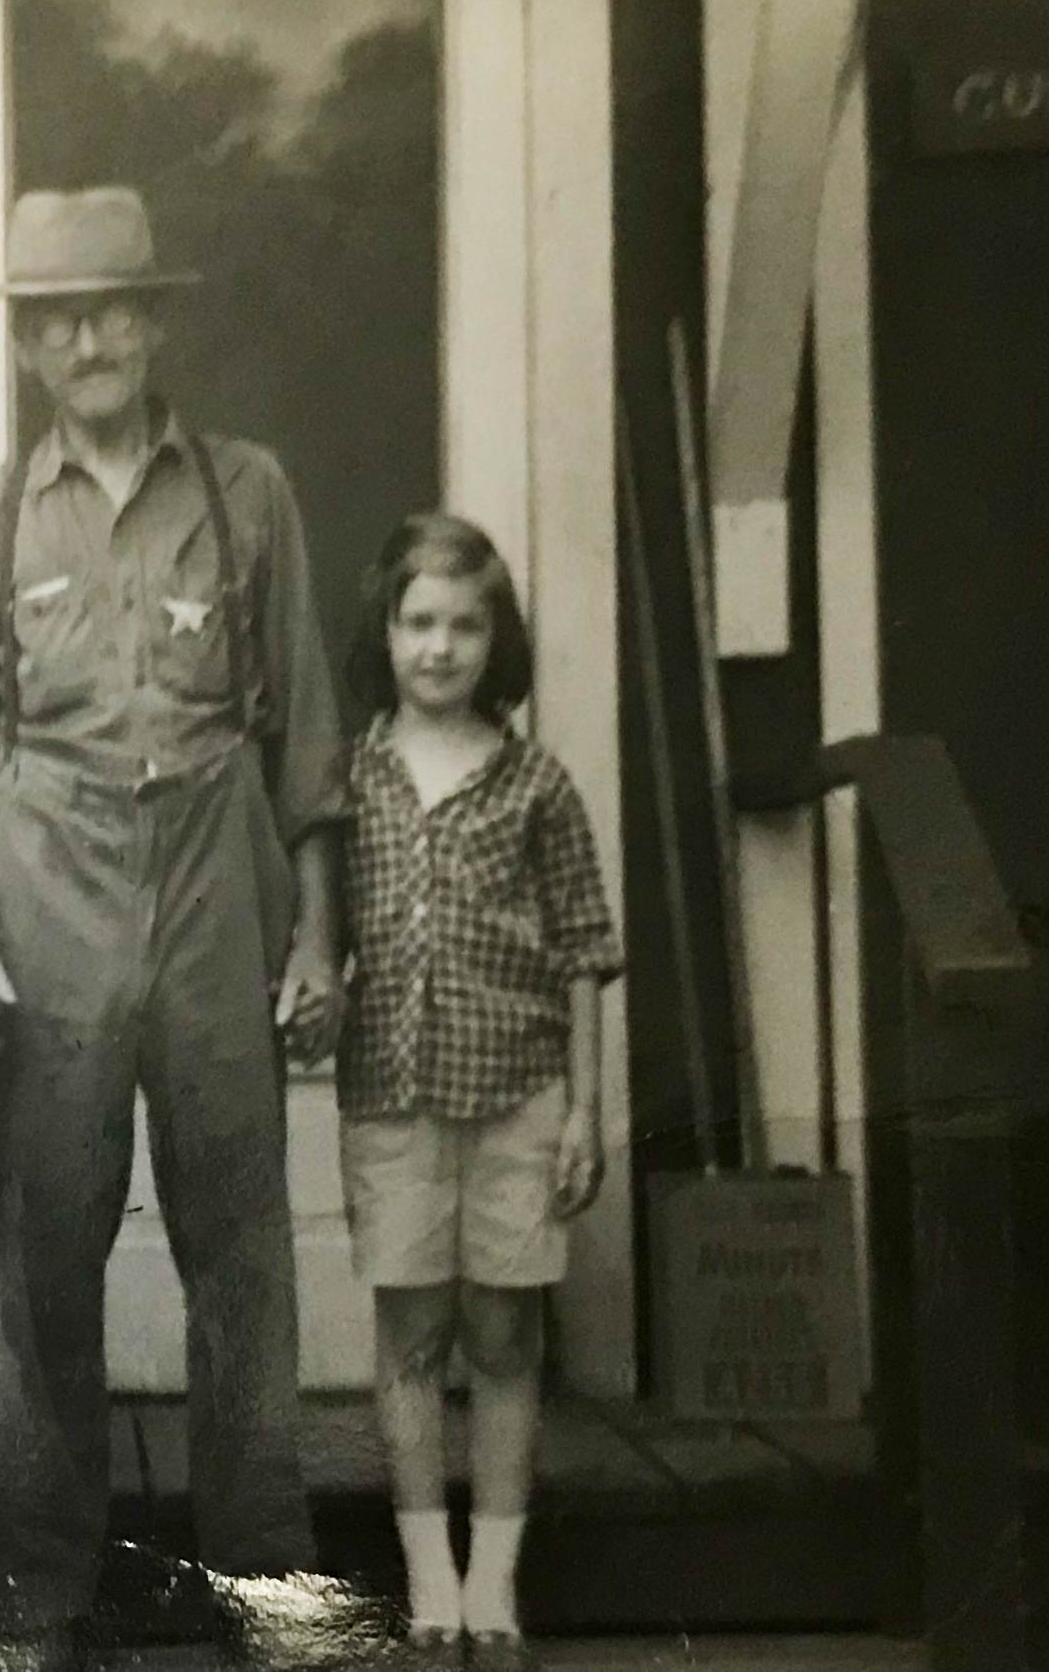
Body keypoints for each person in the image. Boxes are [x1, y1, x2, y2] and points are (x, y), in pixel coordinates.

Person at [0, 186, 349, 1645]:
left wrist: (315, 932)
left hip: (218, 867)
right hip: (48, 877)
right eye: (57, 318)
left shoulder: (248, 491)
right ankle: (33, 1596)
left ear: (154, 323)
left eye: (113, 309)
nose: (89, 338)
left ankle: (269, 1593)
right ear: (30, 346)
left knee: (240, 1242)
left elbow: (307, 743)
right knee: (43, 1251)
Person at [333, 514, 624, 1672]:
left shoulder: (535, 782)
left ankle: (495, 1585)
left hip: (519, 1094)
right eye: (418, 621)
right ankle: (431, 1584)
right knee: (408, 1331)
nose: (440, 646)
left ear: (494, 639)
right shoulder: (348, 775)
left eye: (464, 623)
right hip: (389, 1094)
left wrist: (586, 1109)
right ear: (386, 632)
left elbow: (584, 953)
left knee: (504, 1333)